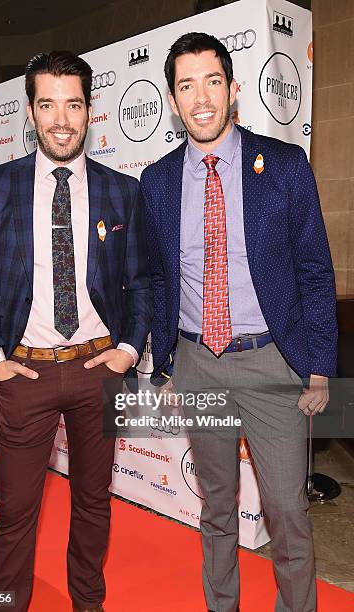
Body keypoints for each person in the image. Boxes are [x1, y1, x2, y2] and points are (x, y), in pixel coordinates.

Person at [140, 32, 337, 612]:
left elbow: (315, 271)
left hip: (273, 362)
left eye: (211, 81)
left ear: (233, 90)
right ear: (174, 101)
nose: (200, 97)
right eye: (185, 85)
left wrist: (320, 365)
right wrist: (166, 365)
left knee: (287, 510)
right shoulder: (156, 182)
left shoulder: (283, 166)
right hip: (198, 362)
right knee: (217, 507)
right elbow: (155, 277)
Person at [0, 50, 152, 612]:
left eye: (73, 104)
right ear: (30, 111)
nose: (61, 119)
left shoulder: (123, 190)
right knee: (15, 510)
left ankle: (87, 604)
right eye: (48, 105)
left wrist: (126, 350)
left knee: (94, 504)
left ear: (91, 111)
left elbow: (141, 282)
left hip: (100, 372)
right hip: (27, 374)